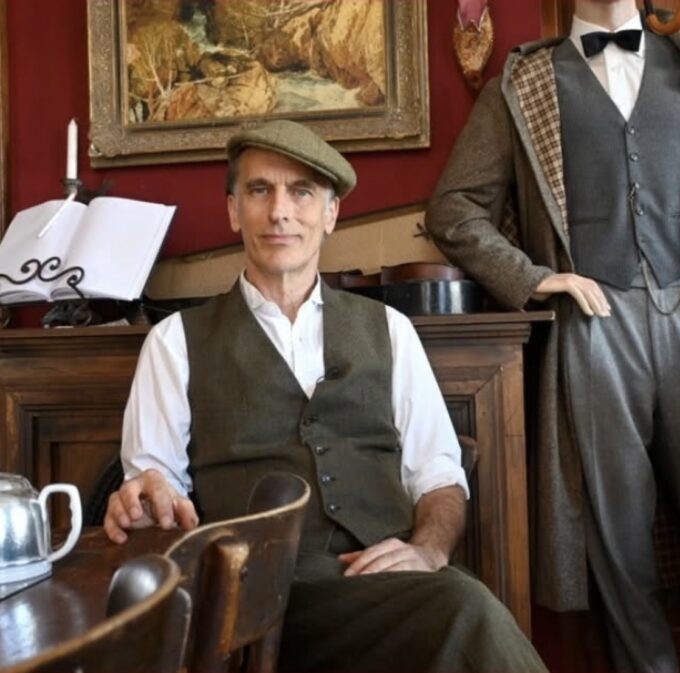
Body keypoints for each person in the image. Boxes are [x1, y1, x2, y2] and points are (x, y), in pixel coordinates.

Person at [103, 119, 545, 672]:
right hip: (256, 598)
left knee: (459, 604)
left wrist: (428, 550)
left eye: (302, 192)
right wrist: (145, 499)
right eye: (259, 190)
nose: (280, 212)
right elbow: (154, 486)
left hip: (390, 590)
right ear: (234, 210)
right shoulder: (175, 343)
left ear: (331, 213)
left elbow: (438, 477)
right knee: (466, 609)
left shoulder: (390, 330)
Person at [426, 1, 680, 671]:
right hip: (595, 327)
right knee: (620, 545)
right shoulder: (524, 82)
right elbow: (453, 209)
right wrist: (535, 278)